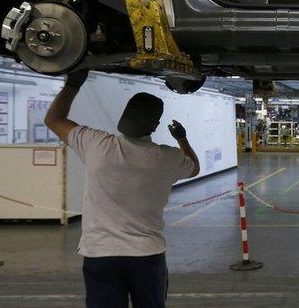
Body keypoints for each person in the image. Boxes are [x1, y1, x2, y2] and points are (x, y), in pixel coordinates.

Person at [44, 70, 200, 308]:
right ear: (155, 125)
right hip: (147, 255)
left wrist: (73, 84)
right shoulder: (167, 158)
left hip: (100, 254)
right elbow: (195, 168)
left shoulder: (96, 144)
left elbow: (54, 120)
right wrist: (182, 138)